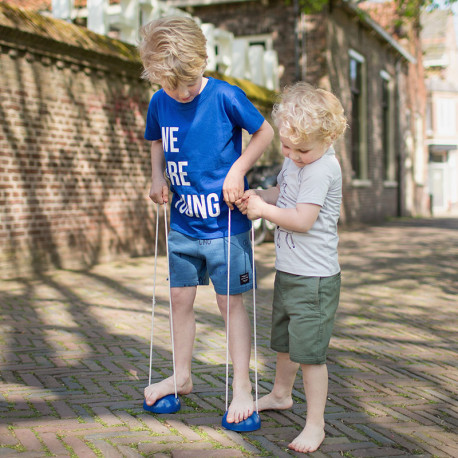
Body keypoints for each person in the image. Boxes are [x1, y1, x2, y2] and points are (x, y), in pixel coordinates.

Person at [138, 16, 274, 424]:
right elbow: (156, 139)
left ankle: (243, 388)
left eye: (182, 85)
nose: (176, 94)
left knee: (229, 303)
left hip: (224, 229)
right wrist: (156, 176)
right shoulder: (160, 100)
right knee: (180, 299)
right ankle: (181, 377)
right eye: (167, 85)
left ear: (199, 64)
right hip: (182, 225)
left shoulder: (225, 96)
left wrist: (238, 170)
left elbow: (264, 132)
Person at [237, 82, 347, 452]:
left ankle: (316, 424)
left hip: (314, 279)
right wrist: (258, 195)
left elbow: (301, 219)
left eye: (302, 150)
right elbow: (282, 196)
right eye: (287, 147)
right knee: (285, 344)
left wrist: (264, 212)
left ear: (328, 138)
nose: (293, 155)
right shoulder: (297, 159)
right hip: (290, 271)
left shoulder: (321, 170)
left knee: (310, 355)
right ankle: (281, 395)